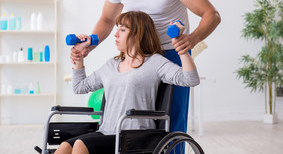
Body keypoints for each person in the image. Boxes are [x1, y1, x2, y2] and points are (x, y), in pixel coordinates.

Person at [71, 0, 220, 137]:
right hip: (137, 56)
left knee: (171, 125)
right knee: (136, 127)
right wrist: (90, 46)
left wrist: (192, 40)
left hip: (169, 54)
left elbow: (211, 14)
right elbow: (106, 19)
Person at [57, 11, 200, 154]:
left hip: (135, 136)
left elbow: (190, 79)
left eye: (122, 30)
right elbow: (79, 87)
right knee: (64, 147)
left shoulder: (155, 62)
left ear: (138, 34)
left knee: (81, 145)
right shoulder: (112, 64)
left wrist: (181, 48)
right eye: (117, 29)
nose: (116, 34)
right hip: (106, 131)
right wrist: (78, 55)